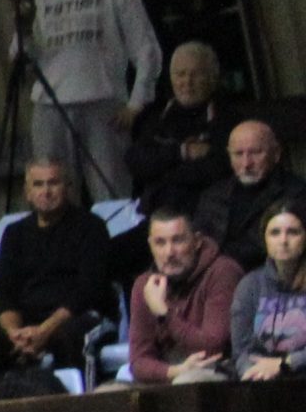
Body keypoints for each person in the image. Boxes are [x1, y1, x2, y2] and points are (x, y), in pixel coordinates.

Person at [21, 0, 161, 204]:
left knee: (111, 188)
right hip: (50, 105)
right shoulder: (40, 0)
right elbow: (23, 56)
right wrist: (23, 26)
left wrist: (136, 103)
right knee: (54, 192)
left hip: (102, 102)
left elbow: (146, 50)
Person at [0, 161, 113, 371]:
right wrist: (14, 333)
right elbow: (5, 293)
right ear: (27, 193)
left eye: (53, 183)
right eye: (38, 184)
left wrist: (45, 330)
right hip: (29, 323)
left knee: (66, 337)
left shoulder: (91, 227)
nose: (46, 191)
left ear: (68, 188)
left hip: (80, 317)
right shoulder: (14, 233)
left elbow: (89, 291)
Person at [128, 206, 241, 384]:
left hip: (219, 371)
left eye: (178, 241)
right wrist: (174, 371)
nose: (169, 253)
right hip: (169, 373)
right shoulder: (145, 285)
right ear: (150, 245)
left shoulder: (222, 272)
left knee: (186, 382)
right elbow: (138, 361)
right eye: (160, 243)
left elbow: (213, 347)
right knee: (107, 392)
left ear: (197, 241)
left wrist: (165, 314)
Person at [127, 42, 238, 213]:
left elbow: (219, 167)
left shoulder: (227, 117)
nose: (187, 81)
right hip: (156, 212)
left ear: (212, 77)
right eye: (180, 74)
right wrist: (182, 152)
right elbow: (135, 161)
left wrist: (162, 172)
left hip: (206, 210)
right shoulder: (156, 116)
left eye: (196, 74)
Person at [194, 122, 306, 273]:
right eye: (238, 154)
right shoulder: (213, 195)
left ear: (276, 153)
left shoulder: (296, 193)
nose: (246, 163)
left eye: (255, 153)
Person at [233, 202, 306, 382]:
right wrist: (252, 373)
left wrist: (286, 364)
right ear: (264, 239)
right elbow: (242, 350)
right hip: (263, 381)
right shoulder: (250, 285)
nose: (283, 240)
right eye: (275, 233)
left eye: (293, 232)